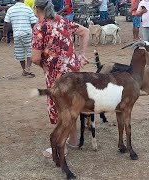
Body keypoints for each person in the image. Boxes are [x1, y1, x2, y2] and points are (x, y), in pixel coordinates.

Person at [31, 0, 89, 157]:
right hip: (74, 72)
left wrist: (45, 66)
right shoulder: (63, 20)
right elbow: (85, 31)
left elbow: (35, 58)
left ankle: (62, 146)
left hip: (56, 76)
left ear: (37, 9)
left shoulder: (39, 27)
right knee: (73, 105)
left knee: (60, 108)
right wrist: (81, 54)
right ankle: (74, 140)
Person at [2, 0, 38, 77]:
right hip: (27, 33)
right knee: (30, 52)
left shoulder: (11, 9)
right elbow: (33, 23)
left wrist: (4, 35)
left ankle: (24, 70)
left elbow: (6, 23)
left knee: (20, 53)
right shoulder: (28, 9)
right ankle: (28, 69)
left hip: (16, 34)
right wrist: (36, 33)